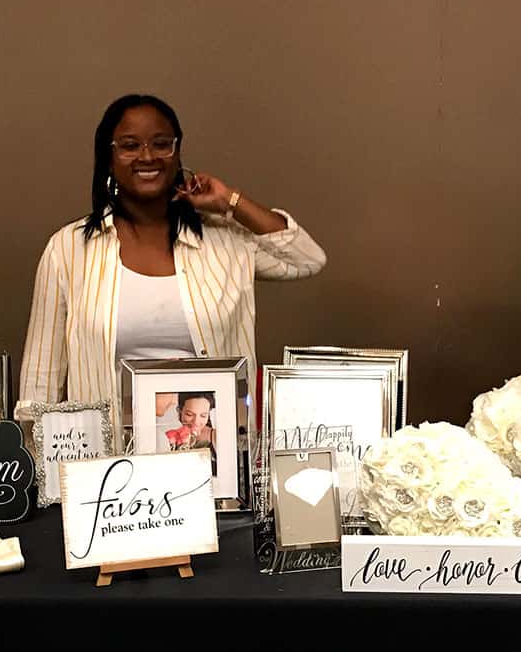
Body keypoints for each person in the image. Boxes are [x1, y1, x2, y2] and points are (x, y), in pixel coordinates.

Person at [19, 94, 326, 425]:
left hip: (215, 460)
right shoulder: (69, 248)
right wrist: (36, 457)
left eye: (161, 144)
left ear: (177, 152)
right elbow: (41, 377)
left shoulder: (225, 241)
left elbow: (306, 259)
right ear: (109, 157)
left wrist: (228, 200)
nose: (147, 156)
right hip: (108, 463)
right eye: (130, 145)